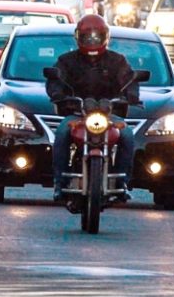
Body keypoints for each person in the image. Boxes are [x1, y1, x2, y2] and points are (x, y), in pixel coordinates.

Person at [45, 14, 138, 204]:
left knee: (127, 135)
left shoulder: (118, 61)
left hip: (109, 114)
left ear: (105, 37)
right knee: (62, 133)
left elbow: (130, 81)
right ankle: (59, 181)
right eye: (88, 37)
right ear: (78, 37)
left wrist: (129, 97)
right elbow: (55, 81)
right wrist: (60, 96)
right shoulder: (66, 60)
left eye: (97, 37)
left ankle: (123, 182)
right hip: (76, 113)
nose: (92, 41)